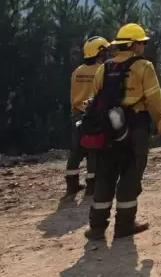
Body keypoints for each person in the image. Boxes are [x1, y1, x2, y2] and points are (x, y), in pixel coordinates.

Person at [85, 22, 161, 241]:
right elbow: (154, 99)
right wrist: (159, 121)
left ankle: (97, 228)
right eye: (142, 43)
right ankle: (124, 225)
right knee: (131, 174)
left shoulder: (105, 67)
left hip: (108, 128)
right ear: (133, 45)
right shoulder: (144, 67)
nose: (144, 47)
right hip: (136, 125)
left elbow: (95, 97)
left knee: (105, 175)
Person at [64, 35, 110, 198]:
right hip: (93, 115)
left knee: (76, 150)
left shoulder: (77, 71)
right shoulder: (101, 70)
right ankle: (92, 185)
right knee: (94, 151)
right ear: (99, 52)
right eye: (105, 51)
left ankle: (71, 184)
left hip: (77, 113)